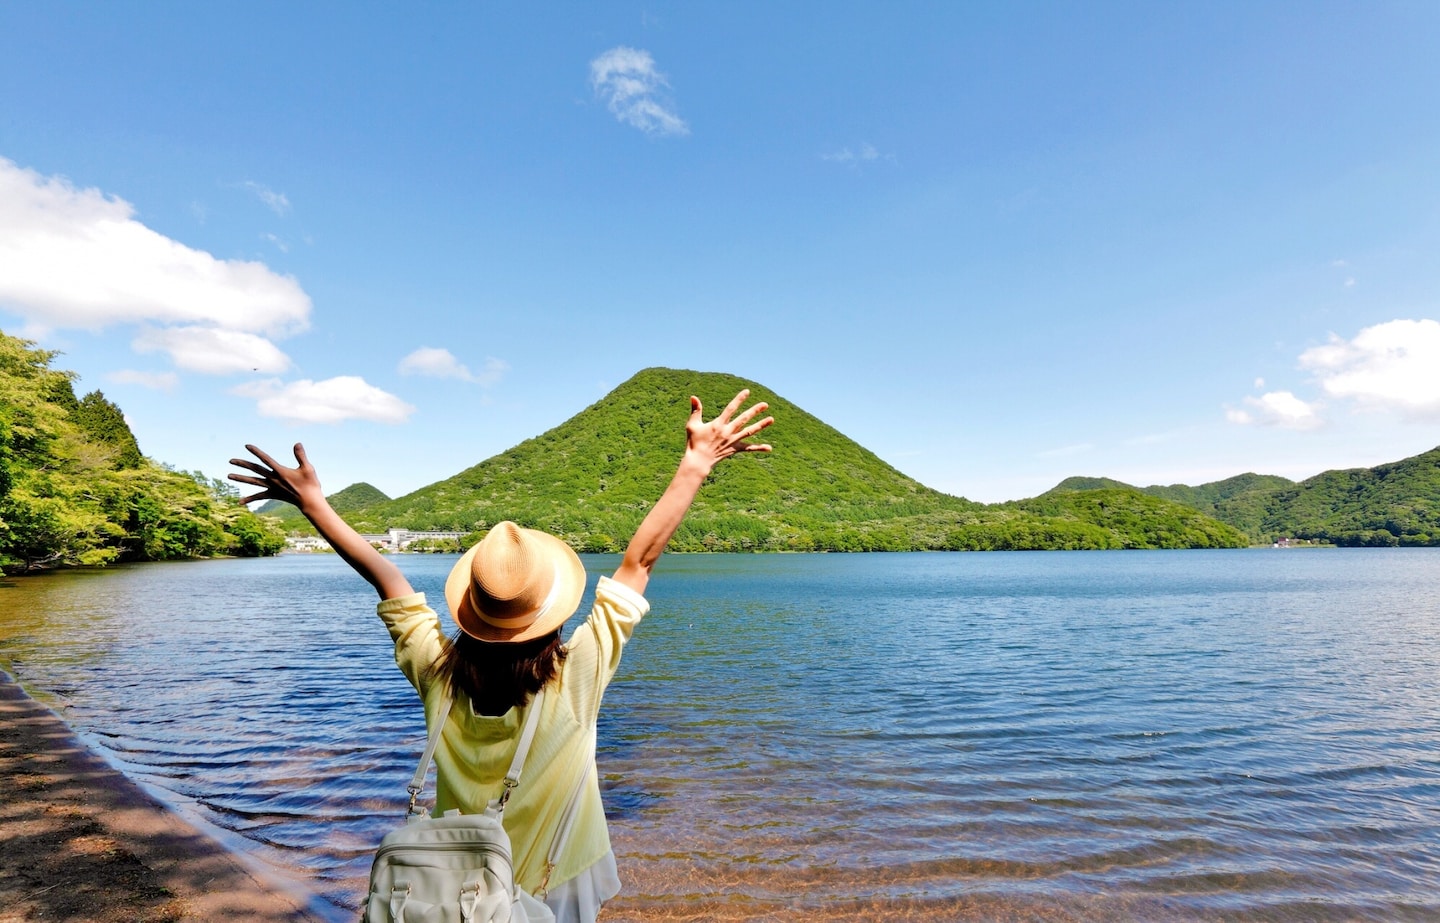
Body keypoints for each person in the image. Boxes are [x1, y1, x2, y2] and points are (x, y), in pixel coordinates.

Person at [228, 389, 774, 923]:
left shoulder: (435, 672)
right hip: (556, 883)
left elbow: (385, 575)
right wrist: (697, 462)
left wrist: (314, 504)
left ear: (470, 608)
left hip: (456, 887)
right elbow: (640, 560)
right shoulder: (576, 674)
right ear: (552, 614)